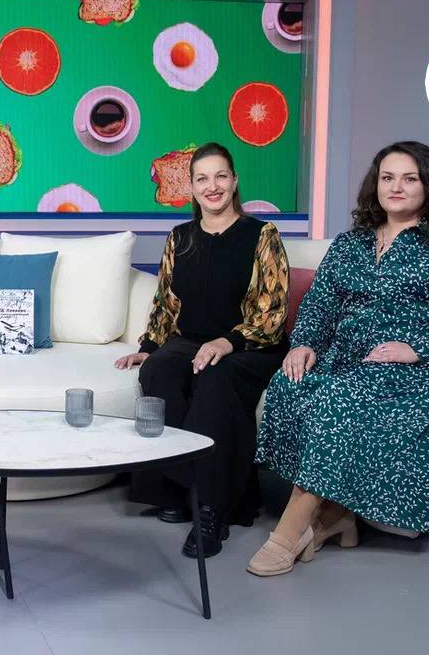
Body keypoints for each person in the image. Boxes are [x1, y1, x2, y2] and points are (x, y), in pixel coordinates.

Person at [249, 141, 429, 577]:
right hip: (352, 358)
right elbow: (319, 304)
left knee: (340, 401)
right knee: (290, 385)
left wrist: (418, 349)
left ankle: (290, 531)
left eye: (409, 178)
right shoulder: (350, 244)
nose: (396, 187)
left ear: (428, 186)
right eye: (388, 178)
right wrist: (304, 343)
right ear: (376, 184)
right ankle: (337, 517)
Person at [115, 142, 290, 558]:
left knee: (214, 375)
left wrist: (228, 342)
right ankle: (180, 490)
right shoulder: (180, 237)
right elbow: (166, 302)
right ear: (192, 187)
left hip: (249, 345)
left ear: (234, 181)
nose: (213, 186)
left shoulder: (261, 235)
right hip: (192, 341)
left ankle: (212, 510)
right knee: (157, 371)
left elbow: (273, 311)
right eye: (202, 179)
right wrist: (149, 347)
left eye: (220, 176)